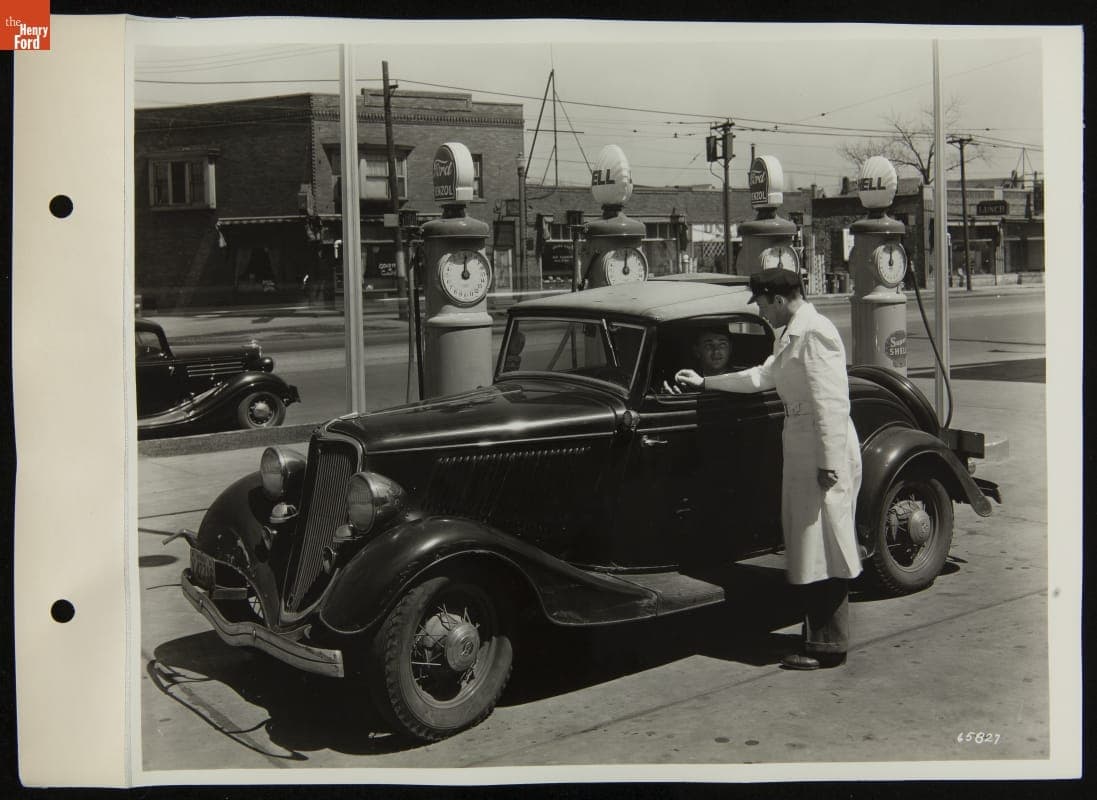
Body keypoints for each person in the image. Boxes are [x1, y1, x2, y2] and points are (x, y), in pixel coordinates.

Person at [675, 269, 862, 670]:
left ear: (777, 299)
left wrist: (828, 462)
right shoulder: (791, 332)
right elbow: (763, 376)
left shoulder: (815, 333)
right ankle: (818, 639)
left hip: (818, 448)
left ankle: (828, 645)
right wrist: (707, 383)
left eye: (760, 302)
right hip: (802, 443)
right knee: (811, 544)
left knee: (826, 544)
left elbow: (832, 402)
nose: (760, 310)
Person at [661, 328, 732, 394]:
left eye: (722, 344)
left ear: (730, 349)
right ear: (697, 351)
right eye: (708, 345)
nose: (716, 351)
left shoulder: (741, 379)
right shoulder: (685, 382)